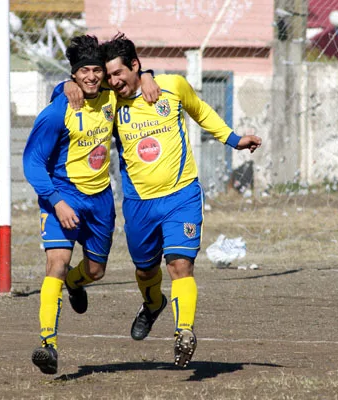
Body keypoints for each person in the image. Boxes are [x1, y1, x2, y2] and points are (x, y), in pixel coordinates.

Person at [64, 33, 262, 368]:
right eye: (108, 76)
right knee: (145, 272)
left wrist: (234, 139)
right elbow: (83, 83)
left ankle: (184, 332)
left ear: (135, 66)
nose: (112, 81)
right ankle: (153, 304)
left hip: (181, 194)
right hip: (139, 204)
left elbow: (201, 111)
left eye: (118, 74)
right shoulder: (110, 102)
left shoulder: (172, 87)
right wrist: (65, 83)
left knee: (179, 265)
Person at [23, 34, 160, 375]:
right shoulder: (59, 110)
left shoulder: (112, 99)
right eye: (83, 71)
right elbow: (32, 162)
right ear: (73, 74)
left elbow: (128, 78)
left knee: (95, 271)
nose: (92, 77)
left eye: (96, 70)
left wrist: (147, 75)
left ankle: (76, 282)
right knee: (56, 263)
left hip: (100, 201)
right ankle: (47, 344)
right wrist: (55, 202)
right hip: (62, 197)